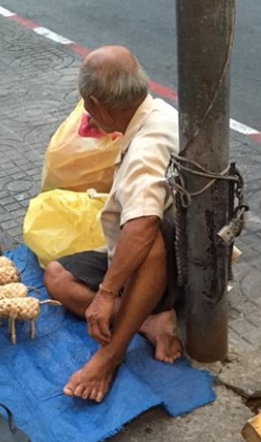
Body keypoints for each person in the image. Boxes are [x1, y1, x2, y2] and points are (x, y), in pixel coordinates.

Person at [44, 45, 183, 404]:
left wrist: (106, 295)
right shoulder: (155, 112)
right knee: (58, 277)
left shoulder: (146, 148)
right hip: (158, 247)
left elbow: (142, 227)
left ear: (97, 104)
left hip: (173, 263)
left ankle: (112, 354)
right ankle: (148, 321)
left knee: (145, 235)